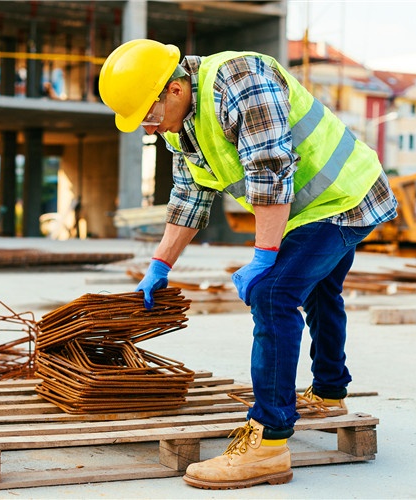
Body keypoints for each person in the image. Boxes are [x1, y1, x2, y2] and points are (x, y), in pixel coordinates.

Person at [98, 39, 397, 490]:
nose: (149, 127)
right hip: (306, 211)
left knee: (273, 293)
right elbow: (190, 195)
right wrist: (160, 265)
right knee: (317, 289)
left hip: (345, 199)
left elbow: (269, 172)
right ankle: (331, 392)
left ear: (174, 90)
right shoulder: (183, 125)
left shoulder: (240, 82)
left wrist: (263, 259)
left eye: (149, 114)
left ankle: (269, 443)